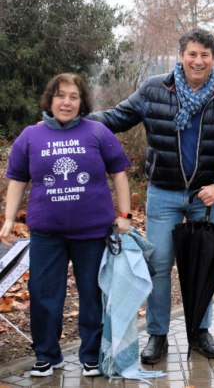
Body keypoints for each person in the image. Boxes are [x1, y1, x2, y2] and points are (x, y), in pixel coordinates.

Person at [89, 28, 214, 363]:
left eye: (205, 54)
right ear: (181, 55)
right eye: (192, 53)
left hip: (207, 196)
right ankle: (157, 335)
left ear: (213, 58)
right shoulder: (153, 89)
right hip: (164, 193)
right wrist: (76, 119)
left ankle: (200, 332)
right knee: (159, 265)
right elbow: (117, 117)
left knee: (203, 264)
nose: (198, 60)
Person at [0, 74, 131, 378]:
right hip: (47, 234)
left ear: (82, 101)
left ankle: (91, 355)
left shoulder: (98, 132)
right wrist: (8, 219)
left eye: (73, 96)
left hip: (93, 233)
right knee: (44, 295)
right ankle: (47, 355)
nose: (66, 102)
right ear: (50, 99)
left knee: (92, 296)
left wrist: (124, 216)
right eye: (60, 95)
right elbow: (17, 179)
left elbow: (120, 174)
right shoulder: (30, 136)